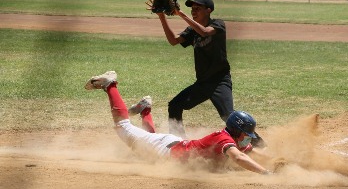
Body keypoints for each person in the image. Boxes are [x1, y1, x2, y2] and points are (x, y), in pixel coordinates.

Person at [84, 71, 273, 175]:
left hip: (171, 144)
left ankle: (145, 111)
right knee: (123, 128)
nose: (248, 139)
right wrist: (265, 173)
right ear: (236, 131)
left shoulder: (232, 140)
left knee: (141, 149)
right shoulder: (225, 140)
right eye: (246, 134)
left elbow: (253, 152)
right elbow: (240, 158)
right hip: (164, 151)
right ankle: (111, 84)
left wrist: (280, 162)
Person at [149, 0, 233, 138]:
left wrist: (180, 13)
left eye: (197, 8)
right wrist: (161, 16)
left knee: (229, 117)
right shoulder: (192, 30)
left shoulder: (218, 24)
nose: (194, 11)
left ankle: (259, 145)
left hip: (219, 81)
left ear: (208, 10)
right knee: (175, 105)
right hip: (202, 83)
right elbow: (174, 41)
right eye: (192, 9)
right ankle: (179, 143)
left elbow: (205, 32)